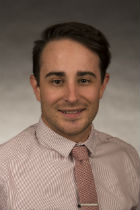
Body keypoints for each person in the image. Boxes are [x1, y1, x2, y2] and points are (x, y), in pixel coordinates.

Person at [0, 22, 139, 210]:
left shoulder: (127, 158)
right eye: (57, 81)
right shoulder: (3, 168)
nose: (72, 97)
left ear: (102, 86)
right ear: (37, 87)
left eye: (84, 80)